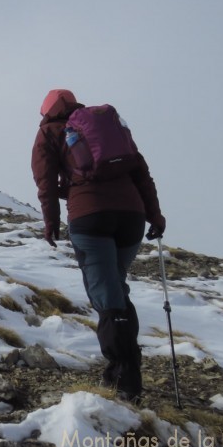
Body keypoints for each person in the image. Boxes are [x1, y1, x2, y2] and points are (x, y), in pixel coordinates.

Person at [31, 89, 166, 403]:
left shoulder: (49, 132)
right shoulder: (109, 129)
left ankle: (124, 379)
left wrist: (51, 222)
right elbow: (141, 171)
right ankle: (127, 367)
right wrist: (154, 214)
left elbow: (46, 181)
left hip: (90, 217)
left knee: (107, 297)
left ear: (46, 110)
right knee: (116, 289)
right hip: (131, 217)